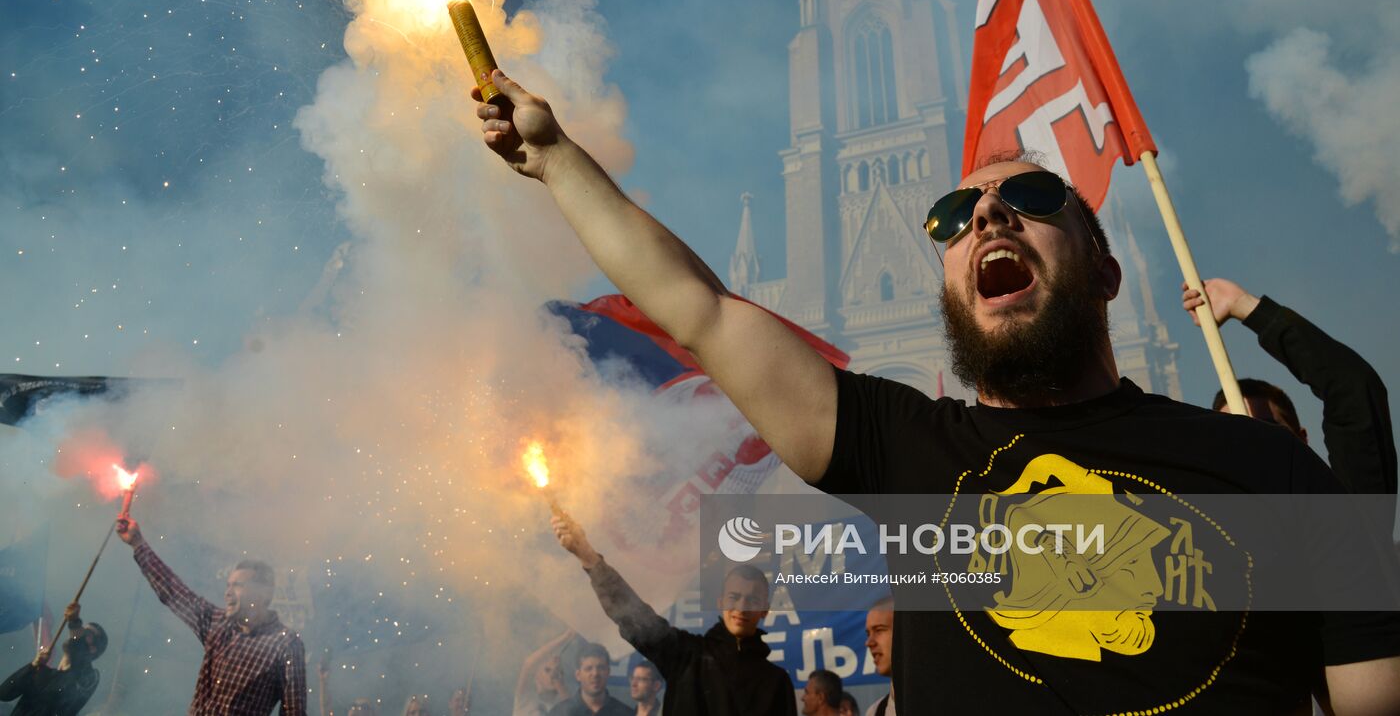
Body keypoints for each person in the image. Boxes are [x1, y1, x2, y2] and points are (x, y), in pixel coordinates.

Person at [473, 73, 1400, 713]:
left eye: (1031, 196)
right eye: (954, 217)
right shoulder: (907, 451)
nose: (987, 213)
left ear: (1109, 274)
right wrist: (555, 157)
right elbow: (701, 312)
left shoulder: (1272, 472)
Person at [551, 510, 795, 716]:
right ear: (720, 602)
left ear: (764, 609)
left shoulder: (775, 682)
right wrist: (588, 556)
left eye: (752, 599)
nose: (741, 607)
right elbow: (633, 614)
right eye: (734, 597)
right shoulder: (686, 655)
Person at [1183, 277, 1396, 495]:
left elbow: (1352, 388)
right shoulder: (1211, 524)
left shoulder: (1343, 517)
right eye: (1232, 438)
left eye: (1268, 429)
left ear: (1301, 439)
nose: (1252, 446)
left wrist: (1242, 305)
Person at [116, 516, 306, 715]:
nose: (228, 593)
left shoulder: (285, 644)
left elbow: (294, 711)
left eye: (238, 586)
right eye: (228, 585)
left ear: (264, 593)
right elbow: (173, 590)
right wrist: (138, 544)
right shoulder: (218, 623)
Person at [0, 602, 105, 716]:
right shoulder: (44, 672)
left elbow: (79, 663)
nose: (81, 632)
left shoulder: (89, 678)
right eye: (81, 629)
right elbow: (4, 694)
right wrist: (32, 666)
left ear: (93, 649)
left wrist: (75, 622)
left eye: (87, 633)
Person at [545, 642, 632, 716]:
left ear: (608, 672)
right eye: (588, 668)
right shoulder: (558, 713)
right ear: (578, 675)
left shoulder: (625, 713)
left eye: (600, 668)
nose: (595, 674)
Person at [513, 628, 574, 716]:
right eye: (547, 670)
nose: (552, 675)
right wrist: (565, 637)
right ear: (536, 675)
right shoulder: (526, 696)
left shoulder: (561, 705)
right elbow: (529, 664)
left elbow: (573, 710)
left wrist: (558, 682)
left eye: (558, 672)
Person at [862, 599, 894, 716]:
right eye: (868, 634)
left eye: (879, 630)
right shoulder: (875, 712)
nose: (869, 642)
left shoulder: (945, 700)